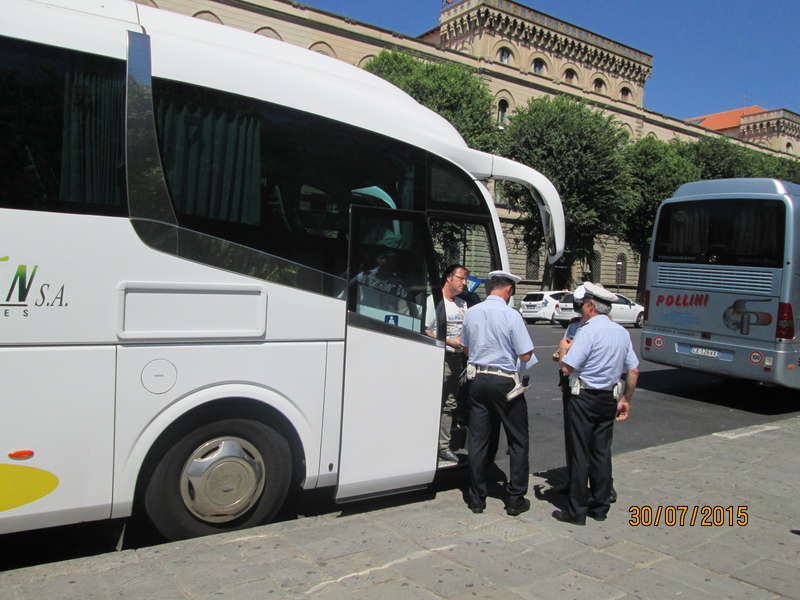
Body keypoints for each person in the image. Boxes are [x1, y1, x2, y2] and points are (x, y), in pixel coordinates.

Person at [555, 282, 639, 525]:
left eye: (583, 306)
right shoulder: (621, 332)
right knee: (601, 452)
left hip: (584, 397)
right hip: (608, 397)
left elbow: (567, 366)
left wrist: (562, 351)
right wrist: (626, 399)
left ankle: (576, 510)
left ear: (591, 306)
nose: (581, 310)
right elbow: (633, 370)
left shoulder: (588, 331)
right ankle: (601, 506)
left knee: (580, 452)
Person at [461, 270, 534, 516]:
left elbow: (466, 349)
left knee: (478, 439)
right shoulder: (511, 315)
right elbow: (526, 355)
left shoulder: (472, 312)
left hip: (478, 379)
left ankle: (476, 498)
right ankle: (515, 499)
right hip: (504, 382)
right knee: (518, 439)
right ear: (509, 290)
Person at [425, 264, 470, 463]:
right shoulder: (433, 301)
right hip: (437, 357)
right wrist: (447, 341)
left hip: (456, 359)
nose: (464, 283)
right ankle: (425, 442)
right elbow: (424, 329)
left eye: (465, 279)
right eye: (461, 278)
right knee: (432, 402)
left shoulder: (462, 304)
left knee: (450, 403)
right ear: (449, 278)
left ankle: (443, 446)